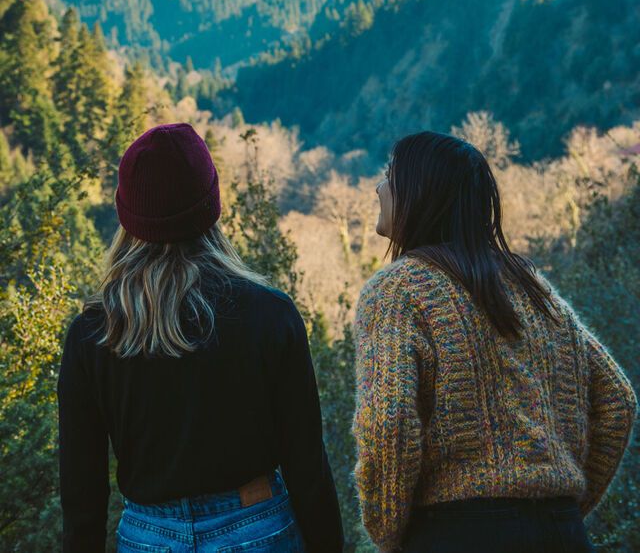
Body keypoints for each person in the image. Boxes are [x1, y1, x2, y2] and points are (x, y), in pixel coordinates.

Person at [57, 122, 344, 553]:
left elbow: (82, 486)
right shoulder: (270, 314)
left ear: (127, 215)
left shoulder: (92, 334)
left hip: (149, 536)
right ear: (212, 206)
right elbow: (306, 463)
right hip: (258, 527)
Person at [352, 130, 638, 553]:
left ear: (421, 192)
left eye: (390, 175)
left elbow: (388, 422)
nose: (378, 188)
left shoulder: (397, 290)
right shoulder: (533, 290)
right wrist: (564, 506)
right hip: (562, 534)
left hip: (457, 533)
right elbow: (618, 401)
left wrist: (390, 534)